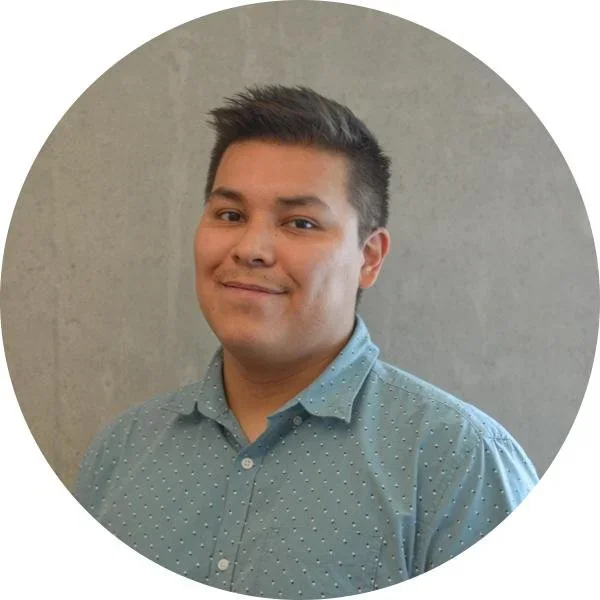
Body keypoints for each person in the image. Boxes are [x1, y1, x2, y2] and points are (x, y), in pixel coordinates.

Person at [75, 85, 538, 598]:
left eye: (300, 223)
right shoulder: (121, 452)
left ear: (369, 258)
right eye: (230, 215)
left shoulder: (461, 462)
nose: (250, 249)